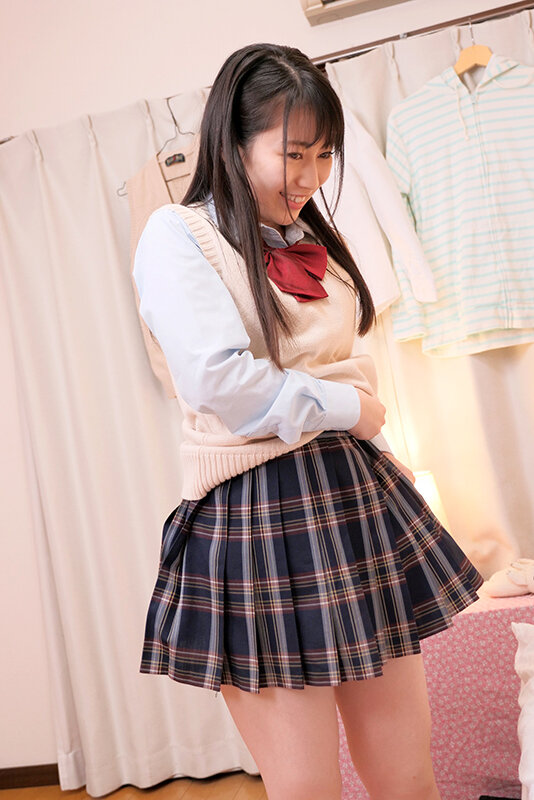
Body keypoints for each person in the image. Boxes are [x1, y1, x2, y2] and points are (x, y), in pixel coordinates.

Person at [134, 43, 484, 800]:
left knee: (409, 776)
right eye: (294, 154)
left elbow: (338, 358)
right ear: (232, 140)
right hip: (259, 517)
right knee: (306, 788)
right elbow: (221, 383)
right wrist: (350, 408)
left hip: (356, 498)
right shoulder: (176, 234)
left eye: (325, 155)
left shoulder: (307, 236)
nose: (313, 176)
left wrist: (375, 440)